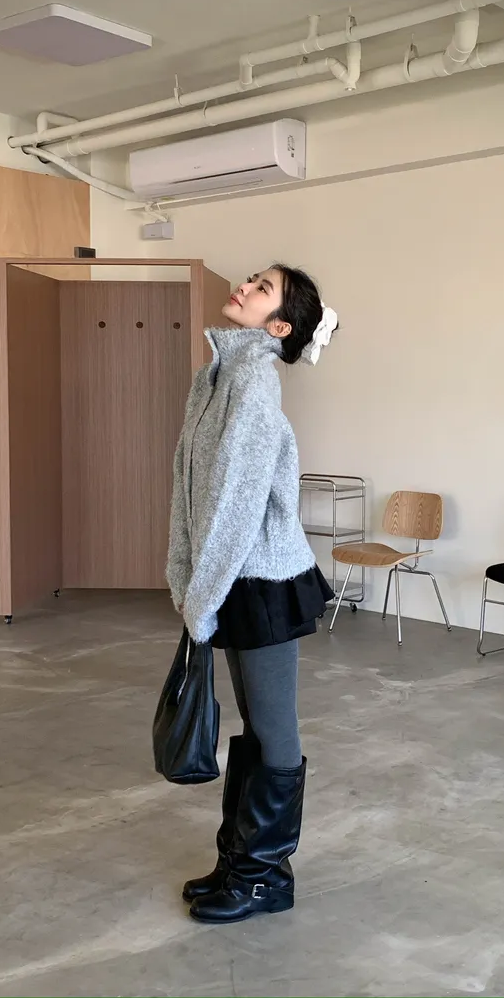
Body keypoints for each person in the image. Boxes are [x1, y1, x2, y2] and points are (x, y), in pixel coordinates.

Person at [166, 264, 338, 925]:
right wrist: (188, 578)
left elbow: (236, 505)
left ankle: (265, 878)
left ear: (280, 327)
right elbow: (192, 491)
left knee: (273, 728)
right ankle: (240, 861)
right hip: (233, 577)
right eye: (252, 279)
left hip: (263, 581)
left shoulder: (255, 381)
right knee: (255, 727)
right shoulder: (216, 376)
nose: (243, 286)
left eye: (261, 288)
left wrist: (201, 593)